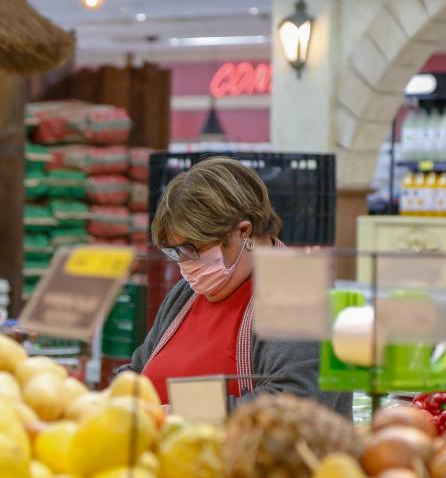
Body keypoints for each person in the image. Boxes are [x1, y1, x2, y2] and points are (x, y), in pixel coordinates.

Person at [127, 156, 350, 418]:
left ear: (243, 232)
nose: (184, 264)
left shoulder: (299, 293)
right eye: (175, 252)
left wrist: (180, 415)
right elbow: (137, 371)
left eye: (192, 248)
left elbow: (298, 403)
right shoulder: (186, 294)